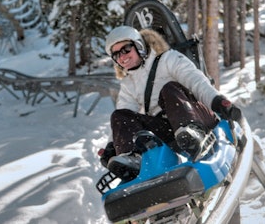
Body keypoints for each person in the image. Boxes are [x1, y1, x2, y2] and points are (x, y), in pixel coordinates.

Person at [99, 26, 242, 181]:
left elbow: (197, 82)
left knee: (169, 89)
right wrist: (111, 146)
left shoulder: (169, 59)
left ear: (138, 45)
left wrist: (217, 101)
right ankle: (132, 160)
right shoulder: (128, 84)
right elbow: (123, 114)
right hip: (169, 130)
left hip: (196, 115)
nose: (122, 57)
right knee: (120, 115)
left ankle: (192, 133)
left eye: (126, 49)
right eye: (116, 54)